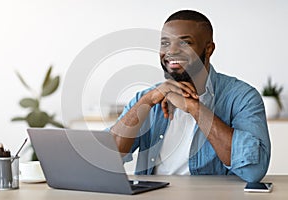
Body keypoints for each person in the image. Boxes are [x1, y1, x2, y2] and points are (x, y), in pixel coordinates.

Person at [110, 10, 270, 182]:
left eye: (185, 43)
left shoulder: (242, 97)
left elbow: (254, 171)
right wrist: (146, 101)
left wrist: (194, 108)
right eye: (165, 43)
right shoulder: (148, 97)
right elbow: (105, 158)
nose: (171, 51)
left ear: (208, 49)